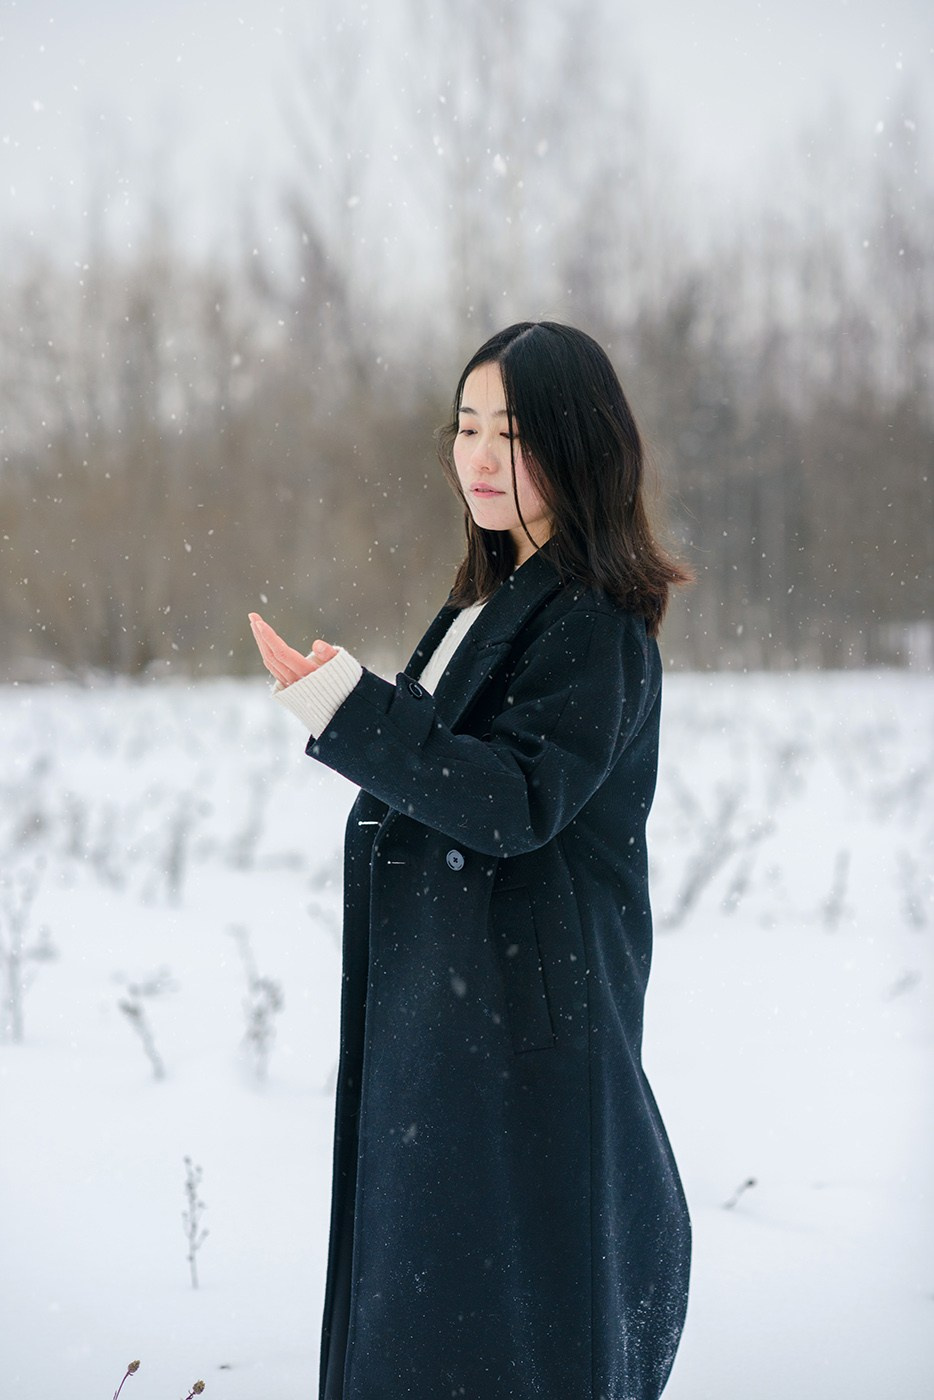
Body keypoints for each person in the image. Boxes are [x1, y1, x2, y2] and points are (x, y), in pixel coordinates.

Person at [249, 321, 693, 1400]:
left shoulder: (593, 621)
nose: (482, 456)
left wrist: (352, 712)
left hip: (521, 1041)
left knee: (497, 1330)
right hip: (455, 1024)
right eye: (468, 425)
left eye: (515, 433)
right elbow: (452, 777)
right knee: (434, 1310)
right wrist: (356, 712)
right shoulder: (488, 597)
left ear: (581, 446)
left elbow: (513, 800)